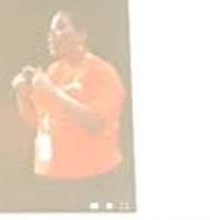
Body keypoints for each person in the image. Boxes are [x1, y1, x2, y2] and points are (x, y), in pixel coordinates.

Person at [12, 11, 127, 183]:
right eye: (50, 30)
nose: (51, 35)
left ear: (81, 34)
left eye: (60, 27)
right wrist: (21, 95)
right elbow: (37, 122)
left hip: (92, 176)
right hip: (49, 175)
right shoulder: (52, 71)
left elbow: (95, 123)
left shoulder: (102, 71)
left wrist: (51, 91)